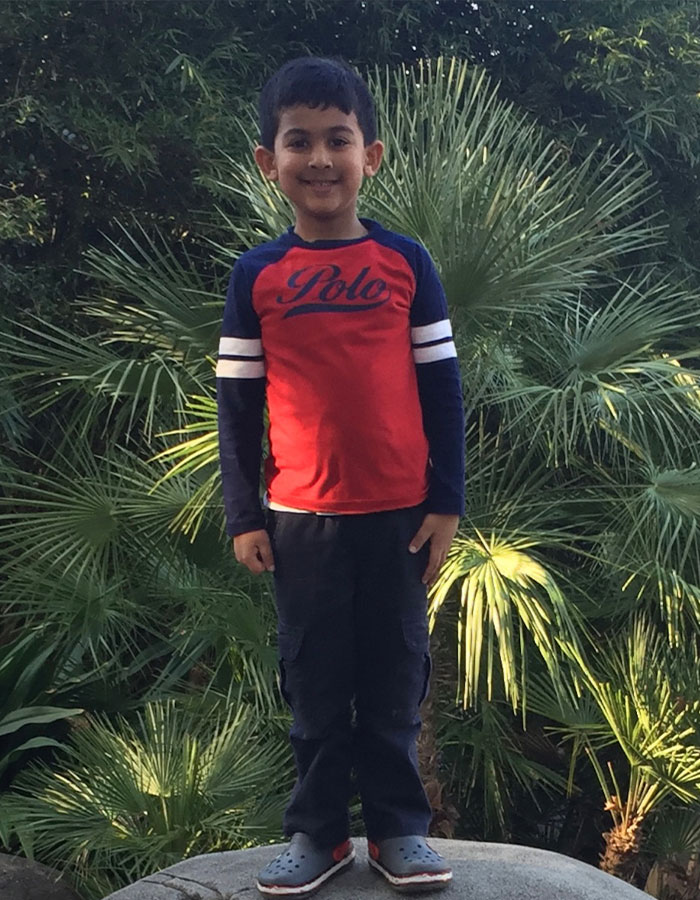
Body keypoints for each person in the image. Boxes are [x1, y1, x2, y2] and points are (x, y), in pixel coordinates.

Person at [216, 56, 465, 898]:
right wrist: (244, 513)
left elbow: (442, 390)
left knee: (395, 676)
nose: (319, 159)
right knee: (316, 679)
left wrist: (448, 502)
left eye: (338, 140)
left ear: (373, 155)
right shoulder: (257, 276)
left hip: (399, 517)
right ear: (268, 161)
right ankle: (317, 835)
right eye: (299, 142)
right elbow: (239, 407)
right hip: (299, 520)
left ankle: (399, 831)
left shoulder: (406, 262)